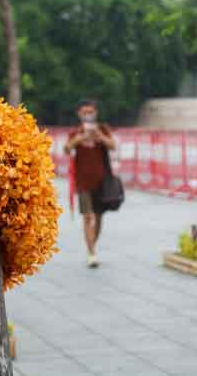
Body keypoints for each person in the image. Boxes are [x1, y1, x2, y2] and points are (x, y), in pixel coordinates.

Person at [64, 99, 116, 268]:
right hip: (82, 182)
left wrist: (99, 137)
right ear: (79, 114)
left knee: (99, 217)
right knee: (88, 217)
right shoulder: (76, 132)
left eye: (91, 111)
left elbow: (113, 146)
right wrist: (81, 138)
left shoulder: (102, 129)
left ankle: (91, 246)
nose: (88, 114)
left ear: (96, 113)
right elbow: (66, 148)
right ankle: (92, 252)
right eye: (85, 112)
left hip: (102, 181)